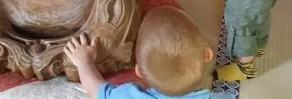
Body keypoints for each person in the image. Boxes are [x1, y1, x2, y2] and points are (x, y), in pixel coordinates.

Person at [64, 6, 234, 99]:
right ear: (208, 54)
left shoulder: (127, 96)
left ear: (139, 72)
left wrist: (83, 61)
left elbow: (95, 89)